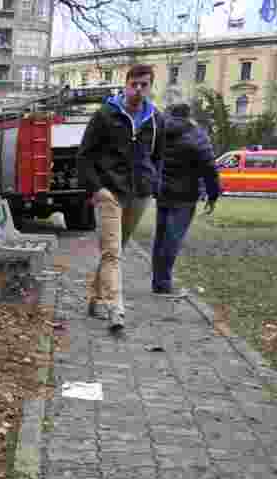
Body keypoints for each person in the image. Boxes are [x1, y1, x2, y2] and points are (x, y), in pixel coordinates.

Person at [77, 64, 166, 332]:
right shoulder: (105, 115)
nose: (138, 89)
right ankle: (116, 308)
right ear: (125, 84)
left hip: (139, 194)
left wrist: (154, 183)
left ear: (150, 87)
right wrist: (97, 189)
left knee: (113, 251)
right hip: (109, 193)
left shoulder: (155, 119)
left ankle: (95, 298)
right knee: (112, 253)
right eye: (134, 84)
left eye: (144, 85)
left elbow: (158, 156)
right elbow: (84, 156)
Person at [152, 102, 220, 296]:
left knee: (161, 237)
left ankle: (158, 282)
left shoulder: (160, 131)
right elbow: (209, 168)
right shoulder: (197, 135)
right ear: (189, 115)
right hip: (186, 195)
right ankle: (163, 283)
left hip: (163, 192)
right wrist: (213, 195)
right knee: (173, 239)